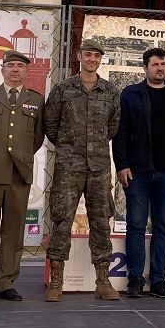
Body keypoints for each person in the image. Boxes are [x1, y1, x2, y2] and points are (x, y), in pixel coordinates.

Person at [43, 39, 121, 301]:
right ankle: (56, 282)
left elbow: (113, 127)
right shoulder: (63, 89)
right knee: (62, 219)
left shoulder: (110, 91)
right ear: (79, 56)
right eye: (88, 54)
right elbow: (50, 125)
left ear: (100, 60)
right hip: (69, 166)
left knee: (100, 221)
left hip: (99, 166)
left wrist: (93, 146)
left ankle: (103, 280)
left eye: (97, 55)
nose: (92, 59)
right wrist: (69, 147)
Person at [114, 47, 165, 299]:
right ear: (145, 68)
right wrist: (122, 164)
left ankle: (158, 279)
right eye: (155, 64)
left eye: (163, 64)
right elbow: (121, 131)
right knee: (135, 225)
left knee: (163, 227)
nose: (160, 68)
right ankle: (134, 279)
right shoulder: (131, 94)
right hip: (138, 171)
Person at [0, 49, 45, 301]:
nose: (15, 70)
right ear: (2, 69)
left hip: (19, 173)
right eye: (10, 65)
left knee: (13, 230)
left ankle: (6, 282)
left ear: (26, 71)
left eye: (20, 66)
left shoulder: (36, 100)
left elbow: (36, 138)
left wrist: (19, 156)